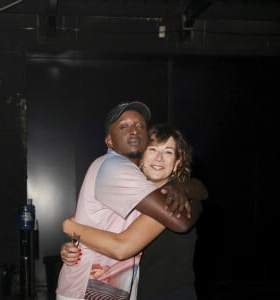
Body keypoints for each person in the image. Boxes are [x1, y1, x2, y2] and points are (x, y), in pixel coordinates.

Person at [56, 101, 207, 300]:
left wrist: (188, 188)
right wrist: (72, 240)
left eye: (168, 152)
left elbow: (182, 219)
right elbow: (82, 220)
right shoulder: (129, 182)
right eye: (153, 149)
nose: (159, 158)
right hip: (117, 291)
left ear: (177, 162)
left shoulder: (177, 197)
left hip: (172, 293)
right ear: (143, 154)